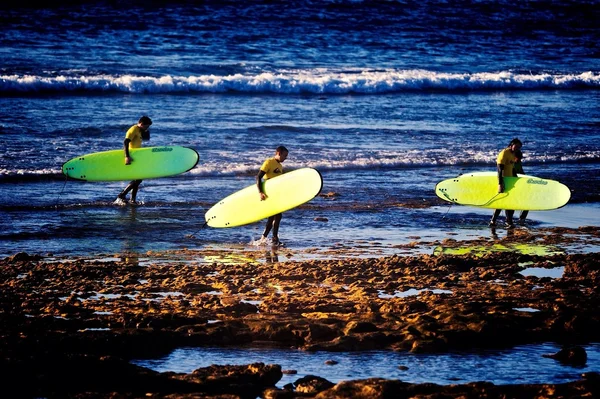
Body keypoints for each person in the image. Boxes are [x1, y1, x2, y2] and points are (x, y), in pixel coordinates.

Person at [256, 145, 289, 246]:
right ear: (278, 153)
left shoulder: (280, 166)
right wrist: (260, 192)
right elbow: (258, 177)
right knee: (277, 215)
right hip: (268, 193)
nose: (286, 158)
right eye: (285, 156)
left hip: (276, 193)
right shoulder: (269, 162)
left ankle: (264, 238)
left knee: (272, 217)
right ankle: (274, 238)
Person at [116, 115, 152, 204]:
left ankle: (132, 200)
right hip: (131, 156)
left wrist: (146, 131)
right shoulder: (133, 129)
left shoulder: (139, 131)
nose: (147, 128)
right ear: (141, 124)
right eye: (146, 126)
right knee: (138, 179)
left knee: (137, 178)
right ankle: (122, 194)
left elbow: (147, 139)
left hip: (136, 157)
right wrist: (127, 156)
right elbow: (126, 141)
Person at [489, 138, 522, 228]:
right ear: (511, 144)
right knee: (501, 202)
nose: (518, 148)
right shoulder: (504, 153)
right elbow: (500, 169)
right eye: (516, 146)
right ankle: (494, 221)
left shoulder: (512, 154)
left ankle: (508, 221)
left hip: (510, 180)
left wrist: (517, 180)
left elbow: (512, 168)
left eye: (519, 147)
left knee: (510, 202)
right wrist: (500, 183)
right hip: (503, 180)